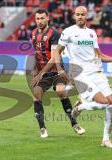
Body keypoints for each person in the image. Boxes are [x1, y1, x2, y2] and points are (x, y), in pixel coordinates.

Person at [53, 6, 112, 148]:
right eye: (77, 14)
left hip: (96, 71)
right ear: (74, 16)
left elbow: (99, 55)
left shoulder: (92, 33)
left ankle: (106, 140)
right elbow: (57, 52)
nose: (80, 16)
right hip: (80, 74)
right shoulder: (68, 32)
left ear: (87, 16)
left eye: (82, 14)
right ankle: (81, 106)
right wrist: (59, 69)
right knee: (103, 103)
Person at [30, 9, 85, 138]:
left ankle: (74, 124)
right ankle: (42, 128)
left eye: (42, 18)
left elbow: (54, 57)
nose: (39, 21)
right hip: (42, 73)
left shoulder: (54, 34)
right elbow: (36, 53)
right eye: (37, 18)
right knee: (36, 95)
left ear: (48, 18)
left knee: (61, 91)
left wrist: (41, 73)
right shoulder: (33, 34)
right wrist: (34, 69)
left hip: (55, 71)